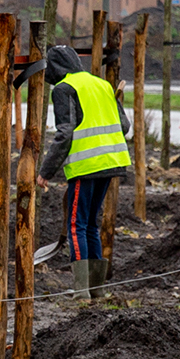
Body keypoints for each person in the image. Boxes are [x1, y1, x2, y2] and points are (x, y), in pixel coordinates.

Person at [38, 41, 131, 299]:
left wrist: (45, 172)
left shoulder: (64, 89)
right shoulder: (102, 85)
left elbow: (65, 134)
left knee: (76, 224)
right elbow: (124, 125)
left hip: (86, 165)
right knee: (90, 223)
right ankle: (96, 288)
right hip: (111, 162)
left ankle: (81, 291)